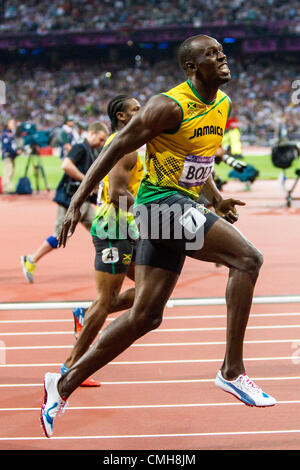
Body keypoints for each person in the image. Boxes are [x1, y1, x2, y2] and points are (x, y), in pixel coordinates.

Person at [41, 35, 276, 438]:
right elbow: (112, 150)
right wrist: (79, 199)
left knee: (146, 316)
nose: (222, 58)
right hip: (159, 206)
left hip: (178, 205)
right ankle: (232, 371)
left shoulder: (222, 104)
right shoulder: (168, 105)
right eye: (211, 55)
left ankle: (61, 384)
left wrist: (216, 200)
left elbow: (197, 161)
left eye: (222, 52)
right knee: (247, 259)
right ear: (191, 67)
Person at [60, 94, 144, 387]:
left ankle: (88, 311)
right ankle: (71, 367)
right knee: (107, 299)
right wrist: (155, 210)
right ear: (122, 116)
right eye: (137, 109)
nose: (143, 112)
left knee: (150, 293)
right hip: (113, 228)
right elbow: (118, 194)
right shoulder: (124, 148)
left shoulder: (129, 144)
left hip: (128, 228)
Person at [21, 121, 108, 283]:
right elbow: (66, 165)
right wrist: (86, 181)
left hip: (83, 202)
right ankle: (31, 260)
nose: (101, 143)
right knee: (60, 236)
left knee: (101, 231)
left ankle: (111, 264)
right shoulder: (80, 148)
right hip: (70, 201)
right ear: (91, 133)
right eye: (100, 139)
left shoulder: (91, 151)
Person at [1, 119, 22, 194]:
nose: (13, 124)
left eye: (14, 123)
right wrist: (16, 152)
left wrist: (17, 152)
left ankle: (9, 188)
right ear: (8, 124)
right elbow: (7, 147)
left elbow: (13, 145)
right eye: (11, 123)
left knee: (11, 172)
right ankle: (6, 188)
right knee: (7, 172)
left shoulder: (11, 133)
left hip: (12, 156)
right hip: (8, 156)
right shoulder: (5, 133)